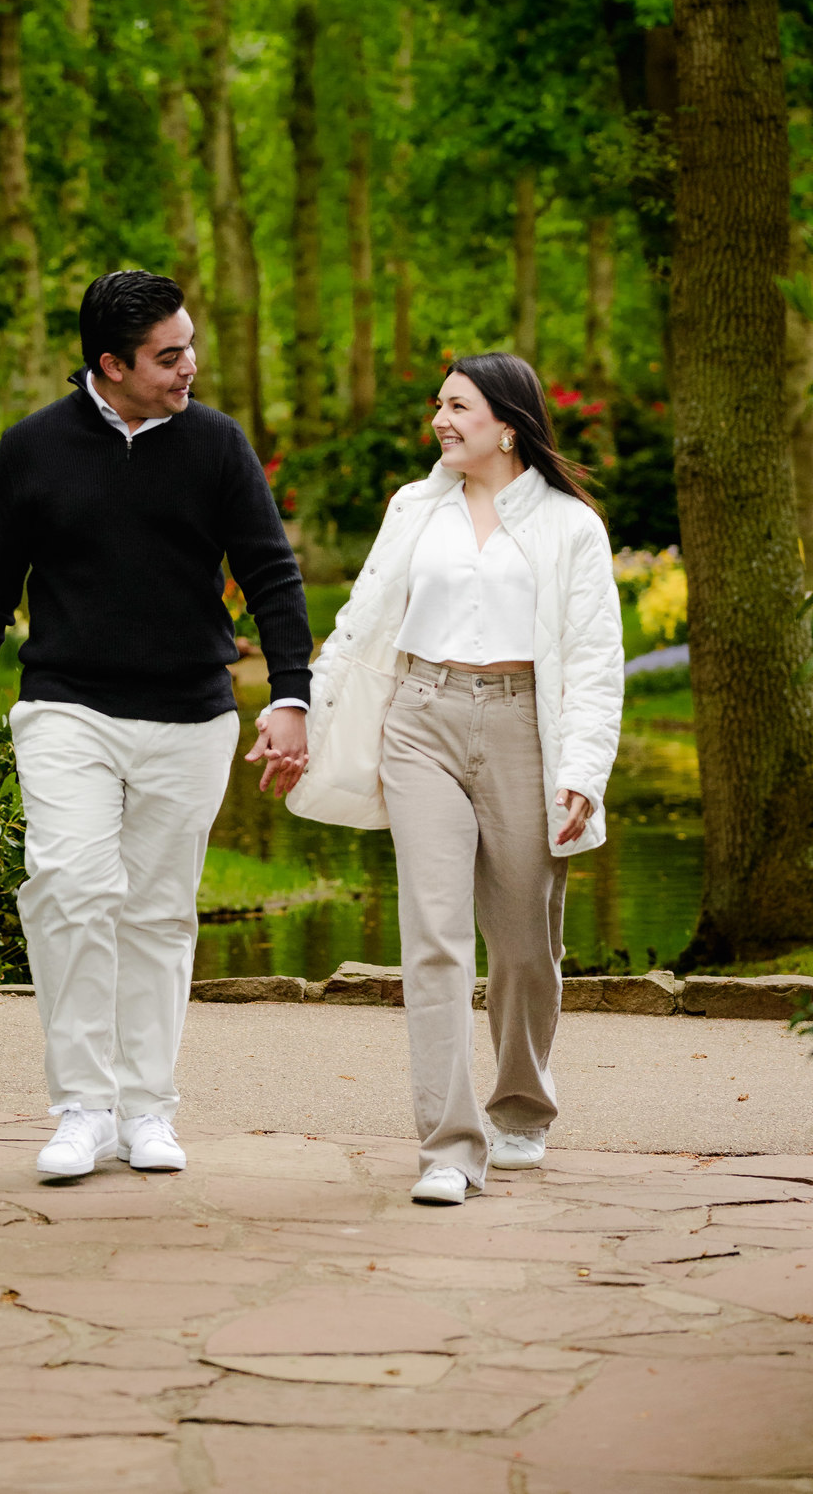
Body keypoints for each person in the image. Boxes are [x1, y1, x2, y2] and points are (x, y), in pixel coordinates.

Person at [0, 270, 312, 1180]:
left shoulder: (218, 445)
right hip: (67, 707)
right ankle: (83, 1106)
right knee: (68, 888)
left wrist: (291, 696)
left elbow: (271, 573)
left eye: (190, 347)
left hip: (190, 716)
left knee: (156, 914)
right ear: (111, 365)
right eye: (169, 355)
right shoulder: (32, 448)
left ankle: (147, 1107)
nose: (191, 367)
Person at [288, 352, 622, 1204]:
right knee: (434, 937)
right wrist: (302, 710)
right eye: (438, 404)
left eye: (459, 406)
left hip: (524, 727)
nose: (440, 419)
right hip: (420, 720)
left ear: (508, 425)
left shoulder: (571, 527)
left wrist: (583, 768)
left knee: (524, 943)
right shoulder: (414, 507)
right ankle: (448, 1145)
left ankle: (521, 1106)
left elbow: (594, 659)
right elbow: (360, 621)